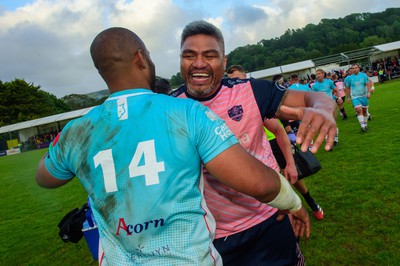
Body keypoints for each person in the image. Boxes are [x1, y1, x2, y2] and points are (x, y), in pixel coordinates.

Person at [35, 27, 310, 265]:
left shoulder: (77, 131)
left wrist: (70, 150)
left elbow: (45, 177)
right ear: (141, 58)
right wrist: (293, 201)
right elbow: (258, 183)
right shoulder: (186, 111)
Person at [171, 20, 337, 265]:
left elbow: (313, 97)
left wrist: (323, 108)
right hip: (213, 236)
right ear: (181, 60)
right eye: (189, 55)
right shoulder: (168, 109)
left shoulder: (249, 91)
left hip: (271, 217)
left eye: (210, 55)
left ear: (224, 61)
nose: (199, 63)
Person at [311, 69, 341, 146]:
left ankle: (335, 139)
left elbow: (336, 89)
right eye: (317, 74)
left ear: (323, 74)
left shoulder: (329, 82)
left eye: (319, 73)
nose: (318, 75)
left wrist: (339, 97)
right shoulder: (314, 86)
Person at [345, 63, 371, 132]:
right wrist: (348, 97)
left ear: (358, 68)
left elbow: (368, 84)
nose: (354, 69)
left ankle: (365, 125)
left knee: (365, 111)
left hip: (364, 96)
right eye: (353, 68)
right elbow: (347, 88)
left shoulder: (363, 75)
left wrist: (368, 93)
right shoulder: (349, 78)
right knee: (359, 110)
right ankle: (362, 126)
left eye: (356, 68)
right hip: (355, 97)